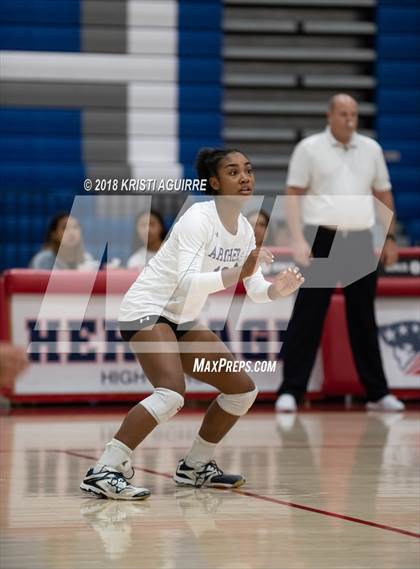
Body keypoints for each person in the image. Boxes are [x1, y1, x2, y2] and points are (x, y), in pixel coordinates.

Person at [80, 147, 304, 500]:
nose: (245, 177)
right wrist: (236, 273)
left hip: (181, 319)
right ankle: (105, 469)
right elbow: (187, 282)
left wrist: (277, 290)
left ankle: (195, 466)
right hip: (147, 309)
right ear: (214, 182)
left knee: (242, 390)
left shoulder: (245, 230)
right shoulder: (198, 218)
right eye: (233, 172)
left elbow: (255, 288)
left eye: (248, 170)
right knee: (170, 393)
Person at [275, 94, 405, 413]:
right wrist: (297, 238)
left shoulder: (371, 149)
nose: (350, 118)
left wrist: (388, 237)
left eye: (354, 113)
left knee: (363, 316)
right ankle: (291, 390)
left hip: (359, 239)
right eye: (344, 113)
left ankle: (377, 392)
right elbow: (293, 193)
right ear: (329, 115)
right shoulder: (309, 149)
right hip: (320, 237)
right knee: (308, 315)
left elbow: (383, 193)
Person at [30, 213, 96, 270]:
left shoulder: (87, 259)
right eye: (65, 228)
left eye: (75, 227)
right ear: (54, 234)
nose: (71, 232)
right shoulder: (43, 260)